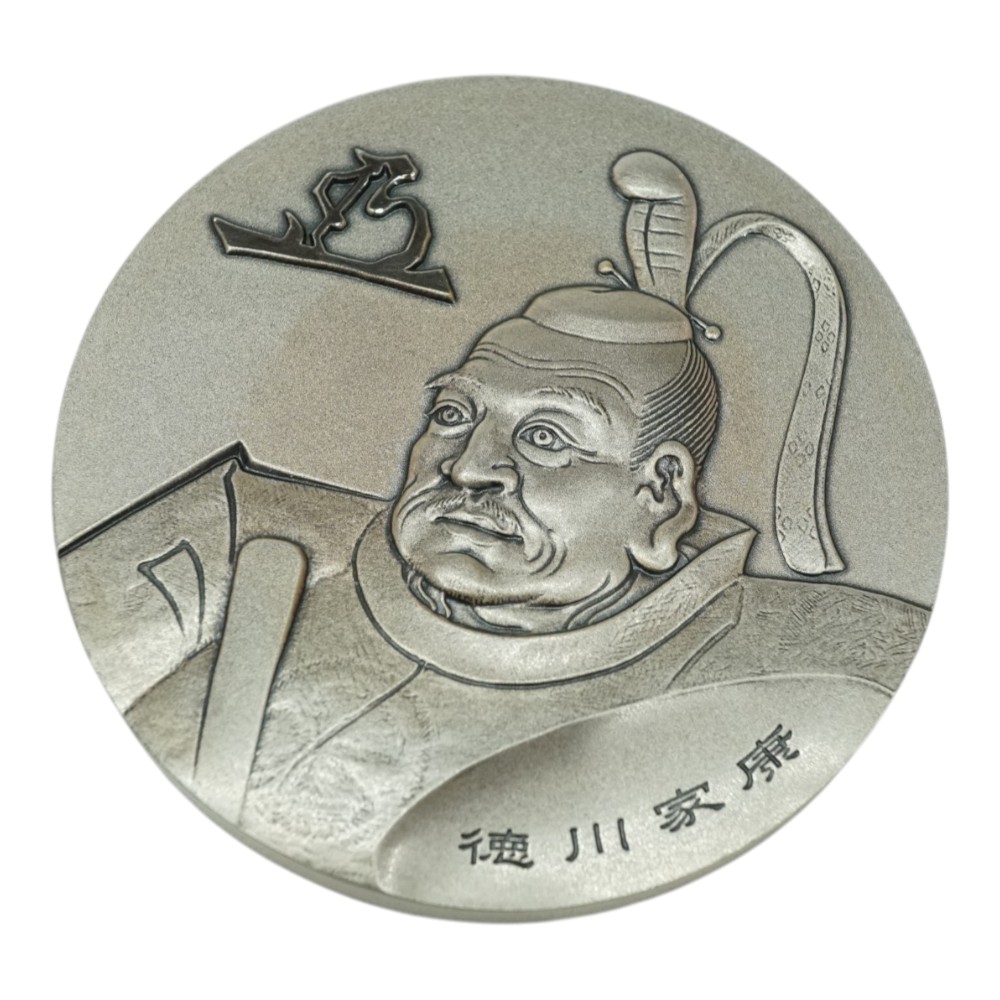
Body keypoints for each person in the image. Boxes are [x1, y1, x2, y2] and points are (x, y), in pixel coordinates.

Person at [59, 152, 929, 899]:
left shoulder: (843, 670)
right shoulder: (236, 544)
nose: (471, 465)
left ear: (661, 497)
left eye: (547, 437)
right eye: (453, 414)